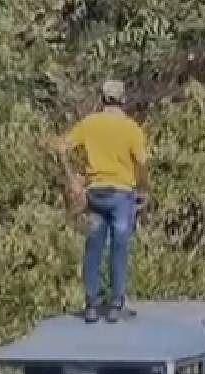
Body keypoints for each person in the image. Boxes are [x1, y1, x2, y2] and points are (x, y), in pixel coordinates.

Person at [57, 79, 150, 324]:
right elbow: (141, 163)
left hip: (95, 193)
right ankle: (116, 303)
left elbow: (61, 148)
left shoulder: (89, 124)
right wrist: (143, 189)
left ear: (102, 99)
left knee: (94, 246)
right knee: (119, 246)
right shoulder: (131, 128)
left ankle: (92, 303)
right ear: (122, 100)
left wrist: (73, 181)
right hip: (121, 195)